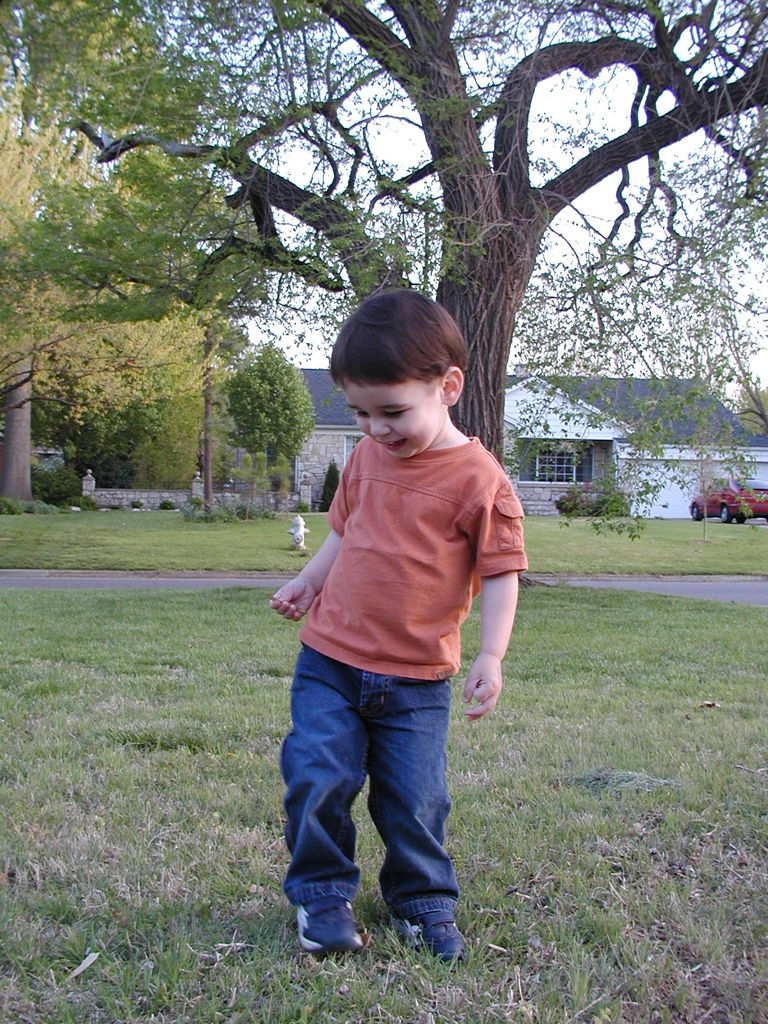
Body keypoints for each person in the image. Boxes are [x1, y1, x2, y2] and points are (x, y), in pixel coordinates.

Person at [270, 289, 527, 961]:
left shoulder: (481, 480)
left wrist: (491, 656)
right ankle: (323, 899)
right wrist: (308, 580)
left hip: (416, 678)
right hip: (330, 659)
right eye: (360, 413)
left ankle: (421, 901)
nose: (376, 429)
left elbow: (500, 573)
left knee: (416, 799)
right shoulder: (363, 460)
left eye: (391, 411)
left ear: (447, 387)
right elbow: (343, 532)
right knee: (317, 774)